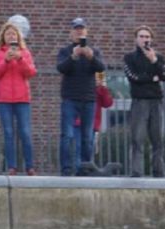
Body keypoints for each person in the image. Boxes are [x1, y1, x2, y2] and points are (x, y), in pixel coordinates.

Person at [56, 17, 105, 177]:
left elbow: (101, 67)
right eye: (76, 29)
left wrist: (91, 57)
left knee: (87, 136)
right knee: (67, 135)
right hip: (70, 98)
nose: (79, 31)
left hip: (89, 99)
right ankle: (66, 169)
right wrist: (74, 56)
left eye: (81, 28)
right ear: (71, 33)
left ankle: (85, 169)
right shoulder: (65, 51)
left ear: (86, 31)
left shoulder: (94, 51)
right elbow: (61, 68)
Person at [122, 26, 165, 177]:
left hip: (156, 101)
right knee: (137, 138)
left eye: (147, 37)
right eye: (141, 36)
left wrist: (154, 61)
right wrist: (151, 78)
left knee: (157, 139)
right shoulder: (129, 58)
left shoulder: (159, 57)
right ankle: (136, 171)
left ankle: (158, 171)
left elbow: (164, 76)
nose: (145, 39)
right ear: (136, 39)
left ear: (151, 39)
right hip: (139, 101)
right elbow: (133, 77)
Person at [0, 20, 35, 175]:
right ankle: (12, 166)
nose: (10, 36)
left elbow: (31, 73)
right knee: (8, 132)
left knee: (25, 132)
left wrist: (20, 58)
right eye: (8, 33)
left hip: (22, 99)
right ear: (3, 37)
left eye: (13, 34)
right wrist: (5, 60)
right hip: (3, 99)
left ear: (18, 37)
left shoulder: (25, 53)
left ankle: (30, 166)